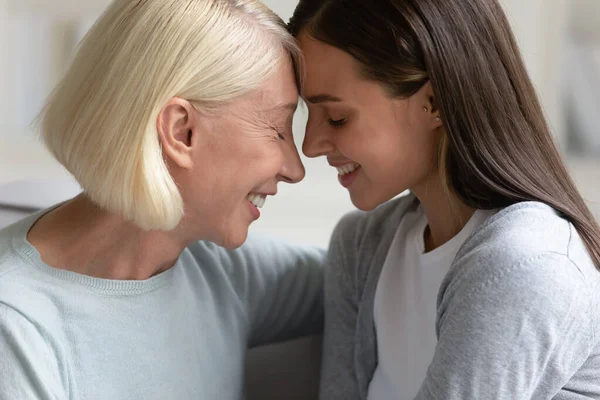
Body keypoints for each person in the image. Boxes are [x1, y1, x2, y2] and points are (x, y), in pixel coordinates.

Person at [0, 1, 324, 399]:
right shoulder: (15, 327)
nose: (295, 168)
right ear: (181, 131)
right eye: (277, 130)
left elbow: (369, 272)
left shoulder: (220, 272)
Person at [288, 0, 600, 399]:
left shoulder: (523, 265)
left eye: (336, 118)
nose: (309, 146)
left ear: (433, 102)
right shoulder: (361, 249)